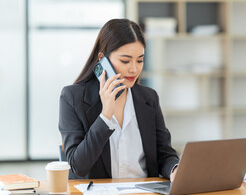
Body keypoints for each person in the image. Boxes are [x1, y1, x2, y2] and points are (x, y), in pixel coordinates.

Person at [59, 19, 179, 180]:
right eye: (125, 61)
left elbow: (164, 154)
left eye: (140, 60)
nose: (134, 69)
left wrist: (174, 169)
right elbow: (78, 166)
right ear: (102, 58)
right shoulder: (73, 97)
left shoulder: (149, 98)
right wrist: (105, 116)